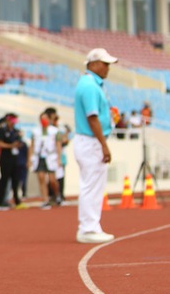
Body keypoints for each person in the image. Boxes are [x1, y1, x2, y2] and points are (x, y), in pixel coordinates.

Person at [74, 48, 117, 244]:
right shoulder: (90, 86)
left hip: (89, 141)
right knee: (92, 186)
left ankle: (91, 226)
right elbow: (92, 118)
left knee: (92, 186)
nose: (108, 68)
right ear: (93, 64)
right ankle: (88, 228)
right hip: (91, 141)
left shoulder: (90, 84)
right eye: (105, 64)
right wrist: (104, 145)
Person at [30, 112, 62, 209]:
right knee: (41, 177)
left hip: (51, 156)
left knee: (52, 179)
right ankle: (45, 200)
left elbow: (58, 145)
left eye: (45, 118)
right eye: (42, 118)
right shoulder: (35, 131)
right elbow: (31, 145)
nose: (43, 120)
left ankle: (57, 194)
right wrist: (30, 159)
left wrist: (59, 158)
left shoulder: (55, 131)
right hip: (39, 157)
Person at [0, 113, 25, 209]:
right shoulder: (2, 130)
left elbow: (20, 143)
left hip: (15, 159)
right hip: (5, 159)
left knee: (15, 180)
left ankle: (17, 201)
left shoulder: (16, 131)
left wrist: (19, 143)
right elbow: (0, 143)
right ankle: (0, 201)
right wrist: (11, 145)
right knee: (4, 180)